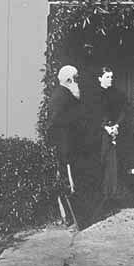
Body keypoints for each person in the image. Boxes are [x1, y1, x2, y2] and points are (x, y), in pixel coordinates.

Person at [93, 66, 128, 200]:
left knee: (113, 164)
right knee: (101, 161)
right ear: (100, 78)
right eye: (107, 77)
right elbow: (94, 115)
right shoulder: (95, 96)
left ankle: (111, 194)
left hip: (115, 131)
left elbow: (123, 111)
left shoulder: (117, 94)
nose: (110, 79)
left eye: (112, 77)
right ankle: (101, 195)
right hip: (100, 134)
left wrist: (117, 125)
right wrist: (105, 127)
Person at [48, 65, 82, 193]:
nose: (78, 82)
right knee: (66, 180)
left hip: (68, 143)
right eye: (76, 79)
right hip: (64, 143)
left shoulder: (67, 94)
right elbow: (56, 120)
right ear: (69, 81)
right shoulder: (61, 96)